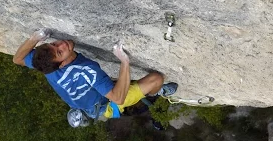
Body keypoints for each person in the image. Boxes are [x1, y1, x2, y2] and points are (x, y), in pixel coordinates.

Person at [13, 29, 178, 126]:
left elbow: (18, 59)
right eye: (60, 51)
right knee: (156, 79)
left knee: (107, 87)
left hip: (87, 103)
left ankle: (86, 111)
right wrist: (124, 62)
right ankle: (158, 92)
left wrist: (35, 38)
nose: (62, 44)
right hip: (107, 105)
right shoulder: (87, 71)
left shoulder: (47, 66)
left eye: (54, 44)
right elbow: (118, 97)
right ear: (61, 64)